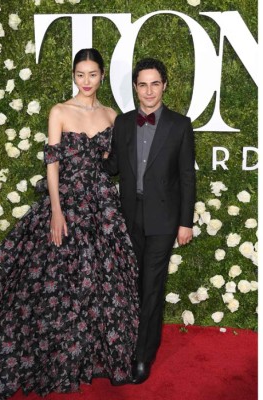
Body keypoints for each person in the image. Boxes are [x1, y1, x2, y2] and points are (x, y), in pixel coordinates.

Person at [0, 48, 140, 399]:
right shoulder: (60, 111)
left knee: (100, 280)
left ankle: (88, 354)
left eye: (93, 74)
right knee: (49, 282)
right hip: (65, 202)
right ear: (74, 75)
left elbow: (109, 162)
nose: (86, 81)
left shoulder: (112, 116)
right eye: (80, 74)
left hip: (99, 205)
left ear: (102, 76)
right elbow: (51, 164)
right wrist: (56, 210)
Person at [103, 57, 196, 384]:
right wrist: (84, 151)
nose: (149, 90)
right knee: (133, 286)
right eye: (142, 84)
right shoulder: (124, 123)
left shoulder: (180, 125)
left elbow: (187, 177)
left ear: (164, 85)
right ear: (135, 87)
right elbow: (111, 166)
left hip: (164, 218)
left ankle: (142, 356)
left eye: (155, 83)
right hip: (128, 217)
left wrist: (186, 222)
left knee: (152, 285)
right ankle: (137, 341)